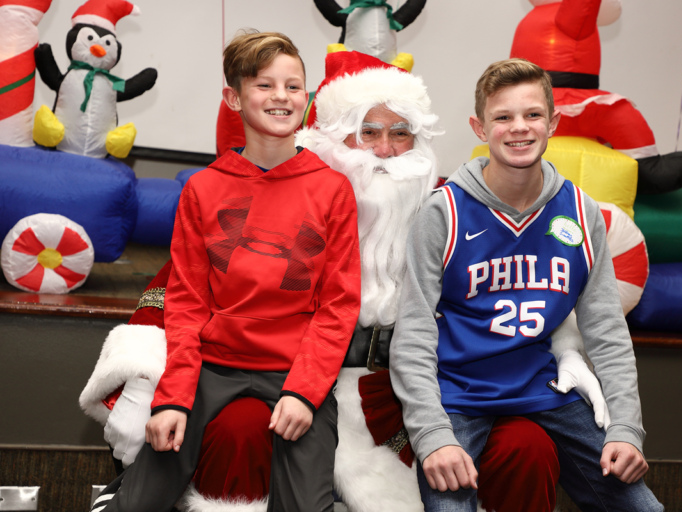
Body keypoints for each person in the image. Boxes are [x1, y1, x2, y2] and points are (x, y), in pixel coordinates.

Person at [81, 51, 608, 512]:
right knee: (240, 427)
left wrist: (565, 347)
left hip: (410, 394)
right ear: (333, 138)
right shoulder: (283, 196)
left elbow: (534, 283)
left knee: (527, 448)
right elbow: (178, 294)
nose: (384, 151)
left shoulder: (451, 207)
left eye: (401, 133)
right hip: (292, 377)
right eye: (368, 133)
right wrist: (151, 375)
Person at [87, 30, 361, 512]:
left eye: (293, 86)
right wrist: (173, 398)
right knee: (138, 504)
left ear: (307, 96)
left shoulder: (332, 189)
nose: (281, 97)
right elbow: (188, 303)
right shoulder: (204, 189)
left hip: (292, 369)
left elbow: (338, 307)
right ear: (233, 97)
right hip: (212, 367)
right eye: (264, 85)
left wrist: (304, 393)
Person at [389, 58, 663, 511]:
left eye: (533, 114)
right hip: (457, 396)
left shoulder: (580, 210)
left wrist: (626, 429)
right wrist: (432, 436)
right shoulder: (444, 213)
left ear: (553, 122)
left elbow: (608, 333)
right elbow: (413, 336)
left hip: (547, 391)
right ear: (480, 127)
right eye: (503, 117)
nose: (520, 128)